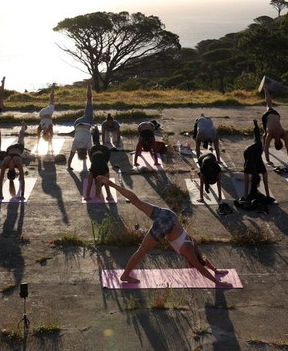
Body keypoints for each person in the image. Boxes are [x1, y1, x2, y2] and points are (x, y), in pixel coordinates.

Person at [94, 176, 229, 285]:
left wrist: (216, 270)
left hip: (169, 215)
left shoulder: (193, 244)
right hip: (165, 226)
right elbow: (200, 268)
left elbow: (202, 260)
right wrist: (218, 282)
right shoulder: (188, 251)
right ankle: (125, 276)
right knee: (141, 252)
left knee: (136, 201)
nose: (188, 263)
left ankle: (111, 184)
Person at [262, 86, 288, 165]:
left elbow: (287, 147)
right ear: (275, 143)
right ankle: (266, 90)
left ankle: (266, 90)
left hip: (276, 115)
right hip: (267, 116)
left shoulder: (282, 133)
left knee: (269, 104)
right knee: (265, 134)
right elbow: (287, 147)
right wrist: (268, 161)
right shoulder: (274, 134)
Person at [0, 123, 27, 200]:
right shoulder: (7, 162)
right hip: (9, 150)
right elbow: (22, 180)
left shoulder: (15, 162)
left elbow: (0, 180)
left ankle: (23, 127)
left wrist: (1, 196)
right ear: (8, 172)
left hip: (18, 149)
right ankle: (23, 126)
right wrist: (22, 195)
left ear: (14, 172)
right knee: (21, 135)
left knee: (21, 135)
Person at [67, 85, 94, 169]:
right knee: (88, 103)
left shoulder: (87, 145)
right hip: (77, 124)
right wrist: (68, 166)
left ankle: (89, 86)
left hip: (87, 122)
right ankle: (88, 87)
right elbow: (70, 156)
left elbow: (91, 157)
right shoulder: (75, 145)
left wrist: (93, 167)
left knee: (89, 100)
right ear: (78, 152)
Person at [243, 120, 270, 199]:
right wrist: (267, 196)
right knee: (247, 168)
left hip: (247, 151)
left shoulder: (258, 144)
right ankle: (267, 194)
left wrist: (245, 196)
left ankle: (245, 194)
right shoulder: (261, 167)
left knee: (246, 168)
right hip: (248, 152)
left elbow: (256, 134)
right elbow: (265, 183)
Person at [36, 84, 55, 155]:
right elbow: (50, 139)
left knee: (52, 100)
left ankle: (52, 88)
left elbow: (38, 139)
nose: (47, 133)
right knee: (51, 100)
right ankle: (52, 89)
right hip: (42, 113)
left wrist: (37, 149)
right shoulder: (47, 128)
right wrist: (50, 150)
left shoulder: (41, 128)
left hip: (46, 113)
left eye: (45, 133)